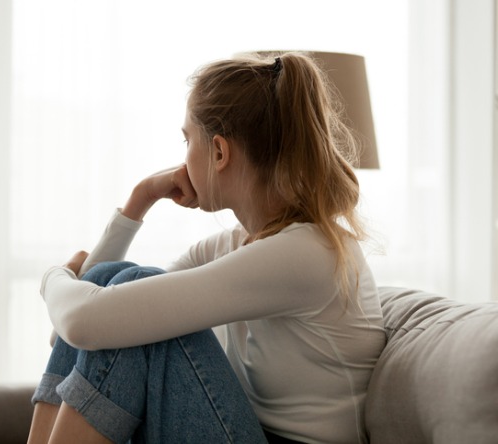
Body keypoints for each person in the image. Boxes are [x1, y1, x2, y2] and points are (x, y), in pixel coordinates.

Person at [27, 52, 386, 444]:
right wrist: (140, 200)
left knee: (133, 300)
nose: (182, 158)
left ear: (219, 152)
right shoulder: (239, 244)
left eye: (187, 141)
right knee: (124, 288)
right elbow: (84, 323)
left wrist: (53, 279)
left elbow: (83, 322)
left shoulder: (306, 254)